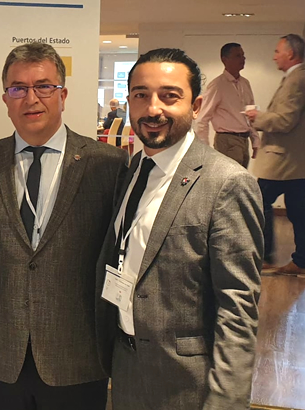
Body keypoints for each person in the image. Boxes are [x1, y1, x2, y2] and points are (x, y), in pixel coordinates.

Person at [0, 42, 128, 410]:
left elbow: (118, 263)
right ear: (6, 99)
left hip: (79, 357)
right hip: (0, 357)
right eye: (18, 88)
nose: (31, 98)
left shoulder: (108, 165)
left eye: (44, 86)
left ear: (62, 95)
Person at [96, 48, 263, 410]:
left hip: (188, 383)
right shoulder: (133, 169)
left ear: (196, 105)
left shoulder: (227, 182)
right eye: (141, 95)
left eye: (169, 96)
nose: (153, 108)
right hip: (126, 368)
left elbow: (238, 306)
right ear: (129, 102)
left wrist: (227, 401)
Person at [246, 34, 305, 275]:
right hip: (294, 161)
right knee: (298, 210)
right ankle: (299, 260)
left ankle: (262, 256)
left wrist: (257, 118)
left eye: (277, 51)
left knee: (257, 203)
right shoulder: (296, 77)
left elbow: (285, 121)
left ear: (290, 53)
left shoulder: (296, 80)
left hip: (283, 160)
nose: (274, 57)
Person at [195, 42, 259, 168]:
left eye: (243, 55)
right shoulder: (218, 85)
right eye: (238, 56)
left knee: (242, 177)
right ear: (225, 60)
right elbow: (202, 117)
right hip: (227, 140)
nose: (243, 59)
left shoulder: (245, 83)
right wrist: (204, 148)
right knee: (229, 178)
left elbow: (251, 114)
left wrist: (255, 140)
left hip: (244, 140)